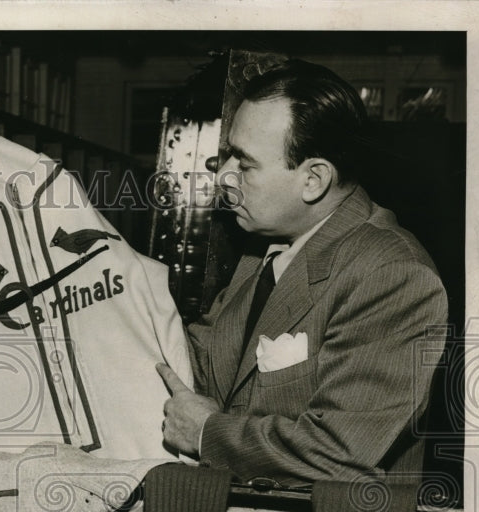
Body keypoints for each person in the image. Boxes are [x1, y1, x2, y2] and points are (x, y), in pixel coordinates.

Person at [156, 60, 448, 485]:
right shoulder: (265, 246)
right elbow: (200, 362)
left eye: (244, 163)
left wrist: (206, 434)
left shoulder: (394, 275)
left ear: (314, 179)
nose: (223, 176)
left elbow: (341, 453)